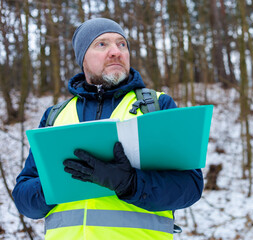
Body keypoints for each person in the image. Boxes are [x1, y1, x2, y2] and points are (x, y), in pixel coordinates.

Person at [12, 18, 203, 240]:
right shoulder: (55, 116)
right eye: (101, 44)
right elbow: (24, 199)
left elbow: (190, 187)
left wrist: (129, 182)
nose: (116, 52)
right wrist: (56, 184)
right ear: (82, 58)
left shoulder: (156, 106)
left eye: (121, 44)